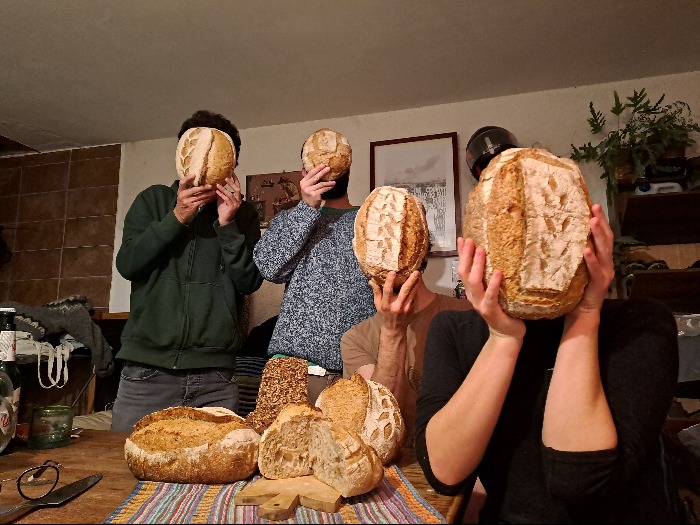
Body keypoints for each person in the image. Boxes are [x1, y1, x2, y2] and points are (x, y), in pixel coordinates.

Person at [415, 204, 683, 523]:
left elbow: (577, 479)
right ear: (470, 252)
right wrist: (503, 338)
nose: (533, 242)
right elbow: (445, 474)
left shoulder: (641, 324)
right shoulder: (453, 332)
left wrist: (583, 315)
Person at [111, 110, 263, 432]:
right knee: (125, 472)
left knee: (216, 477)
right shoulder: (153, 200)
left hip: (215, 378)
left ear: (231, 164)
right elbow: (128, 264)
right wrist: (177, 217)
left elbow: (249, 282)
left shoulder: (244, 215)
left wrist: (228, 226)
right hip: (146, 373)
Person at [252, 140, 376, 404]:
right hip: (291, 372)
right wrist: (306, 208)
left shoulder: (370, 222)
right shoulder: (290, 218)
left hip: (356, 376)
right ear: (303, 174)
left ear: (347, 167)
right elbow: (268, 267)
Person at [341, 251, 473, 443]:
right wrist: (393, 332)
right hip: (400, 465)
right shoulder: (356, 339)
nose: (387, 257)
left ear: (420, 255)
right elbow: (378, 428)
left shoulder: (469, 316)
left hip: (461, 457)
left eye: (398, 247)